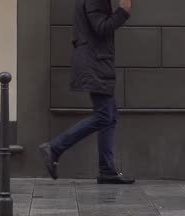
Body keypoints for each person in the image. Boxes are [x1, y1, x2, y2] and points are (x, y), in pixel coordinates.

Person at [39, 0, 134, 184]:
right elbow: (101, 27)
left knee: (110, 115)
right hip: (95, 63)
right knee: (104, 115)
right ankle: (54, 147)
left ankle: (107, 170)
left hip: (97, 62)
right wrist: (123, 11)